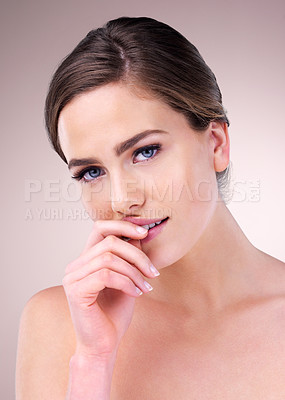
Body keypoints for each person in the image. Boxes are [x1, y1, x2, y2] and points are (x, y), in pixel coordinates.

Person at [16, 16, 285, 399]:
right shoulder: (58, 325)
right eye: (92, 172)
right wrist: (94, 362)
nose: (121, 199)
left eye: (145, 151)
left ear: (216, 144)